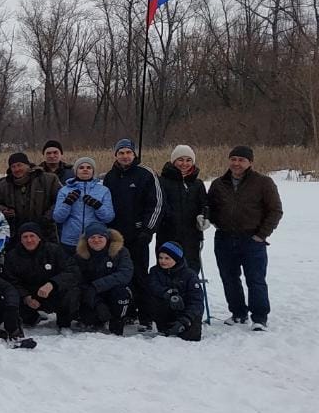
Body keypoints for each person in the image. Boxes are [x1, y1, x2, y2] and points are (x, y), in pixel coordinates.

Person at [207, 145, 283, 330]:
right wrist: (211, 219)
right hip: (224, 238)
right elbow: (210, 207)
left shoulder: (263, 183)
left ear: (250, 162)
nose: (237, 163)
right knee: (229, 278)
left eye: (241, 160)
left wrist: (261, 234)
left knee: (255, 279)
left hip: (252, 239)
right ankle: (238, 313)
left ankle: (259, 317)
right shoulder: (218, 184)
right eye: (233, 159)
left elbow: (275, 210)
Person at [103, 139, 163, 329]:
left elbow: (156, 204)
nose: (125, 156)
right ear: (116, 155)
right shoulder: (110, 177)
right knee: (120, 274)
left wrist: (147, 229)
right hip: (116, 237)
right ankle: (126, 311)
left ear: (134, 154)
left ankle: (145, 315)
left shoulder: (146, 174)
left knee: (139, 274)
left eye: (128, 152)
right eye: (121, 153)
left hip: (138, 235)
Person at [3, 222, 80, 331]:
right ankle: (32, 318)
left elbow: (72, 271)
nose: (29, 240)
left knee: (72, 291)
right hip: (29, 294)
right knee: (10, 297)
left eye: (32, 236)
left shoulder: (54, 250)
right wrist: (26, 297)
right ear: (20, 239)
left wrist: (52, 284)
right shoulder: (12, 256)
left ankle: (64, 323)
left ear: (39, 237)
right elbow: (10, 280)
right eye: (25, 237)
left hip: (51, 291)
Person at [156, 144, 209, 275]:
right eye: (180, 160)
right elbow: (158, 205)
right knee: (167, 271)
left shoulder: (197, 184)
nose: (184, 164)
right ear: (174, 161)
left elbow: (205, 205)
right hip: (168, 234)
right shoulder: (162, 181)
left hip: (192, 236)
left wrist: (203, 217)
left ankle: (190, 295)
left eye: (188, 160)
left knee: (190, 271)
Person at [74, 222, 133, 336]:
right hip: (91, 295)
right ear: (87, 240)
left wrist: (97, 285)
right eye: (92, 237)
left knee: (122, 292)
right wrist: (97, 303)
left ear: (107, 238)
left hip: (113, 292)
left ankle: (118, 320)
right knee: (89, 318)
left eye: (100, 237)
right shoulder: (80, 256)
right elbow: (78, 280)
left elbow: (125, 274)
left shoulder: (121, 251)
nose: (96, 240)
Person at [0, 152, 63, 242]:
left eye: (19, 165)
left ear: (28, 165)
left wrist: (47, 218)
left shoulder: (48, 179)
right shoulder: (4, 184)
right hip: (15, 234)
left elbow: (60, 200)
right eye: (13, 167)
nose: (17, 169)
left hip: (45, 232)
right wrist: (2, 209)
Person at [52, 157, 114, 253]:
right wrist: (67, 203)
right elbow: (58, 218)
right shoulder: (64, 190)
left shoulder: (103, 190)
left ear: (93, 171)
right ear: (76, 171)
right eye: (81, 167)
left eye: (89, 167)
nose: (85, 169)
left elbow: (108, 217)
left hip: (95, 241)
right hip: (70, 242)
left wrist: (97, 205)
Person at [145, 242, 205, 341]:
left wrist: (185, 320)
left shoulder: (189, 275)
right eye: (160, 258)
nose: (162, 261)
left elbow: (197, 301)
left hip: (185, 312)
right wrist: (168, 293)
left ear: (176, 259)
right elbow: (152, 287)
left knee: (191, 336)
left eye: (167, 258)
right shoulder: (155, 271)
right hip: (165, 310)